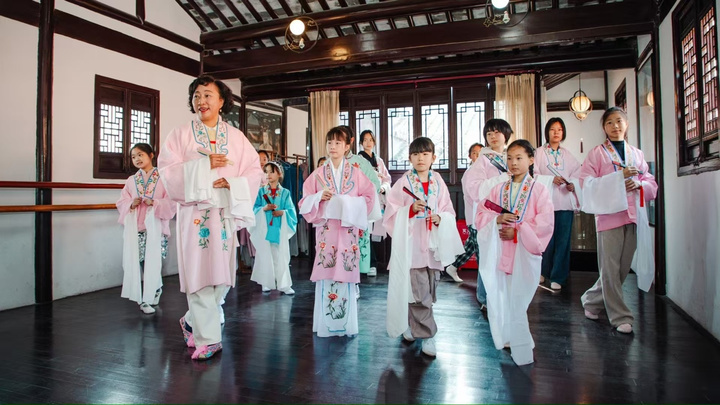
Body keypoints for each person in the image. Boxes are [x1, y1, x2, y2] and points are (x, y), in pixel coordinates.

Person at [158, 75, 264, 360]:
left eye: (207, 95)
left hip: (223, 212)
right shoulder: (180, 135)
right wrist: (203, 166)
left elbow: (254, 171)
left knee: (222, 277)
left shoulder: (237, 138)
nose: (201, 101)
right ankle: (209, 339)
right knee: (199, 273)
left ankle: (191, 321)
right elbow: (167, 171)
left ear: (221, 101)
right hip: (194, 212)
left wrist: (234, 184)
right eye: (196, 96)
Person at [474, 139, 554, 365]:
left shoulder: (539, 190)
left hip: (523, 251)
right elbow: (482, 213)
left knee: (519, 298)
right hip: (502, 249)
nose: (513, 163)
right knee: (504, 296)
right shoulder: (499, 189)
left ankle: (520, 339)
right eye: (509, 158)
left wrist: (518, 231)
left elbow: (545, 222)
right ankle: (512, 337)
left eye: (519, 158)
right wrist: (497, 220)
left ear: (531, 160)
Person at [579, 107, 658, 334]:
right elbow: (586, 183)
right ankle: (620, 316)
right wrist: (617, 178)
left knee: (622, 269)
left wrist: (639, 184)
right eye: (610, 122)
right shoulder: (596, 154)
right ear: (604, 127)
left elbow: (650, 182)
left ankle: (591, 300)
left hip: (633, 216)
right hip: (609, 217)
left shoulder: (637, 154)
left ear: (627, 123)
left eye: (619, 121)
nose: (615, 126)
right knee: (610, 269)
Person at [384, 137, 465, 358]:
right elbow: (390, 213)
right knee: (419, 293)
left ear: (433, 157)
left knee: (427, 292)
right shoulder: (403, 182)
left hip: (432, 247)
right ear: (410, 158)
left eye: (425, 154)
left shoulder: (438, 181)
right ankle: (428, 335)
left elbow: (448, 209)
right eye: (416, 154)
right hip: (411, 248)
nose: (421, 158)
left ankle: (411, 325)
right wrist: (409, 210)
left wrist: (441, 218)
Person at [298, 126, 376, 337]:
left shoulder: (356, 173)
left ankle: (346, 325)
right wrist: (318, 197)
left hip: (347, 233)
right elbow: (304, 202)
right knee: (327, 273)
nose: (332, 147)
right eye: (330, 142)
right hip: (327, 232)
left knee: (345, 273)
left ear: (347, 146)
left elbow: (369, 198)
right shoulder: (318, 174)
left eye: (338, 143)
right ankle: (325, 325)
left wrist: (347, 203)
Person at [448, 119, 512, 308]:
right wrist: (501, 179)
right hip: (488, 217)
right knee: (487, 259)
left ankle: (501, 295)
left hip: (508, 216)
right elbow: (474, 189)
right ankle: (485, 299)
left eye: (497, 132)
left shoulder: (510, 157)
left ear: (506, 134)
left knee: (503, 257)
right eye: (489, 133)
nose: (493, 136)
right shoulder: (483, 160)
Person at [116, 143, 176, 314]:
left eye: (140, 155)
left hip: (156, 227)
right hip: (138, 227)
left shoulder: (164, 177)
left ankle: (154, 290)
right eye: (133, 156)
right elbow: (121, 201)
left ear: (151, 155)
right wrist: (131, 203)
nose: (137, 159)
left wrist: (155, 202)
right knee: (140, 261)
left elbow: (171, 201)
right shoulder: (131, 180)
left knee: (154, 261)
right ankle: (146, 298)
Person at [533, 118, 583, 291]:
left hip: (564, 203)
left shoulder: (567, 155)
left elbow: (578, 173)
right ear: (547, 132)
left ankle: (558, 276)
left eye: (559, 129)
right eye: (553, 129)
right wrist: (550, 180)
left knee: (563, 241)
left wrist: (573, 185)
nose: (556, 132)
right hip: (545, 203)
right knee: (544, 240)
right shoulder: (538, 153)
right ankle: (542, 272)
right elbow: (533, 175)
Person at [249, 161, 298, 295]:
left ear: (279, 174)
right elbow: (254, 209)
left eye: (272, 172)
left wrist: (282, 212)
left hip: (279, 228)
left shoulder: (285, 193)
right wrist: (264, 208)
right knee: (265, 255)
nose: (268, 175)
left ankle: (284, 284)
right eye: (266, 172)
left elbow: (291, 211)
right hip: (265, 228)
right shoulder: (261, 192)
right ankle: (266, 282)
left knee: (281, 256)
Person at [444, 142, 483, 283]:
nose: (477, 156)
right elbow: (474, 195)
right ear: (470, 156)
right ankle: (483, 279)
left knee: (472, 244)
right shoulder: (470, 172)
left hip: (481, 215)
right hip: (475, 214)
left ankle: (453, 266)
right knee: (478, 247)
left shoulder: (483, 171)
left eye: (480, 153)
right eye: (475, 153)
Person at [357, 129, 392, 277]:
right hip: (364, 199)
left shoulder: (379, 160)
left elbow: (387, 178)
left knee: (375, 232)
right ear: (361, 142)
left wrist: (383, 187)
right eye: (365, 140)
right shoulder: (358, 159)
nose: (368, 143)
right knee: (364, 231)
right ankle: (369, 263)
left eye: (370, 140)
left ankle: (375, 262)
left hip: (378, 198)